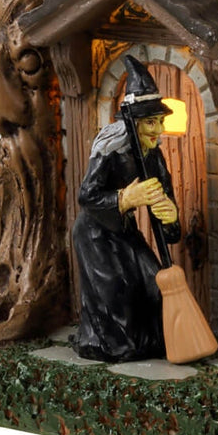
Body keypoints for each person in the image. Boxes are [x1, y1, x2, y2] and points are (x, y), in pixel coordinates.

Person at [72, 56, 181, 362]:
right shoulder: (110, 153)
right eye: (150, 122)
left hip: (124, 231)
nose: (158, 130)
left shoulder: (153, 158)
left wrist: (171, 217)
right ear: (133, 123)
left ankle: (155, 343)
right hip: (95, 234)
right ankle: (112, 345)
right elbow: (87, 196)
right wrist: (124, 199)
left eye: (160, 122)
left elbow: (169, 221)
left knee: (154, 282)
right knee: (116, 293)